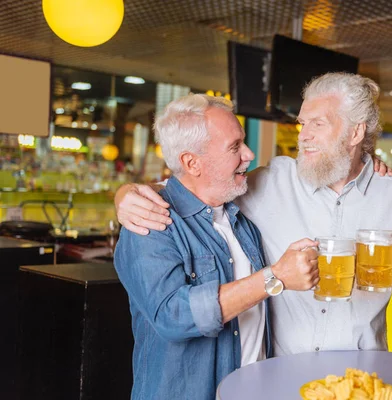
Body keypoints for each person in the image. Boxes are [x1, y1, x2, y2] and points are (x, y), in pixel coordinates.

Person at [115, 72, 392, 357]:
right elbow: (196, 185)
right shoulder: (268, 182)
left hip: (358, 378)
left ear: (356, 133)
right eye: (302, 123)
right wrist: (126, 195)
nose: (303, 136)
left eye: (318, 124)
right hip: (279, 378)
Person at [113, 94, 319, 400]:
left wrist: (368, 164)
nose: (249, 154)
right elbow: (174, 314)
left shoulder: (241, 215)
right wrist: (274, 278)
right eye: (234, 147)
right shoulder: (150, 222)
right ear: (191, 162)